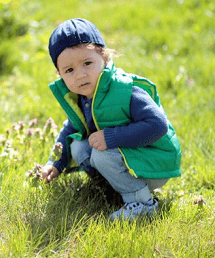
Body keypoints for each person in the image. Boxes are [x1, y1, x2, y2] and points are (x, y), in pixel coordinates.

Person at [41, 18, 182, 221]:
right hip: (128, 159)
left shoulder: (125, 90)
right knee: (78, 147)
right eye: (69, 70)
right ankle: (114, 189)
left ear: (105, 58)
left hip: (154, 162)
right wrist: (54, 163)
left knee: (102, 155)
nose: (80, 75)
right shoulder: (82, 97)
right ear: (60, 74)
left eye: (87, 63)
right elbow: (71, 129)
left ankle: (143, 203)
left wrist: (112, 137)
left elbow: (157, 125)